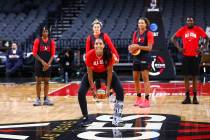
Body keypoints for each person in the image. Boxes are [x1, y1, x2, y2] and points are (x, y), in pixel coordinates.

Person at [78, 38, 124, 126]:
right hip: (93, 73)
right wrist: (93, 89)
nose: (98, 45)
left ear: (103, 45)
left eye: (100, 43)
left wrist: (108, 89)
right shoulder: (89, 55)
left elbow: (110, 72)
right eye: (96, 43)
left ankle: (117, 117)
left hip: (106, 73)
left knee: (120, 90)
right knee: (81, 92)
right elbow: (90, 74)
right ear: (94, 46)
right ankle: (85, 118)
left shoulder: (108, 54)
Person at [171, 17, 209, 104]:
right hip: (186, 56)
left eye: (191, 20)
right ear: (186, 22)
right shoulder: (183, 29)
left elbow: (207, 38)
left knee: (195, 77)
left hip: (195, 56)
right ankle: (187, 97)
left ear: (193, 22)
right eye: (188, 20)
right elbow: (173, 38)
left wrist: (201, 48)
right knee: (186, 77)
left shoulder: (198, 29)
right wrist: (179, 48)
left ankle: (195, 97)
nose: (190, 22)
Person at [85, 19, 119, 102]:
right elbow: (87, 51)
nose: (96, 28)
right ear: (92, 28)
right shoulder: (89, 38)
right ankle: (97, 94)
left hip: (105, 57)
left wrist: (117, 56)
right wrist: (88, 59)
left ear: (100, 28)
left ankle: (111, 94)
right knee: (96, 77)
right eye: (95, 27)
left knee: (109, 74)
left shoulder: (105, 36)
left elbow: (111, 47)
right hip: (94, 59)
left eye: (98, 27)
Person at [128, 17, 154, 107]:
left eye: (142, 23)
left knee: (145, 78)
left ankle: (147, 100)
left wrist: (138, 46)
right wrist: (131, 48)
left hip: (145, 57)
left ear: (146, 24)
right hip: (136, 57)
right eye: (139, 23)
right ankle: (138, 98)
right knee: (135, 78)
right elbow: (133, 46)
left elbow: (149, 48)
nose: (140, 24)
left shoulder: (149, 33)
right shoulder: (135, 33)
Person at [32, 26, 56, 106]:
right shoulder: (37, 41)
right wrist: (42, 62)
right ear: (41, 33)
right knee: (38, 81)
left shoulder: (51, 42)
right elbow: (34, 53)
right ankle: (38, 99)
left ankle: (46, 99)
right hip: (39, 63)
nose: (45, 33)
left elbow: (53, 55)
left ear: (48, 32)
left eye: (46, 31)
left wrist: (48, 64)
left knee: (46, 81)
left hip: (48, 64)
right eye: (44, 31)